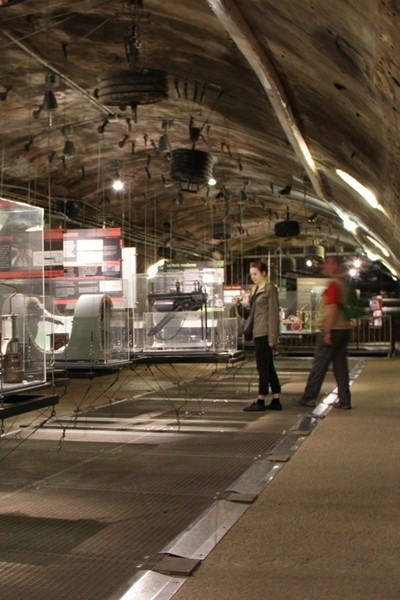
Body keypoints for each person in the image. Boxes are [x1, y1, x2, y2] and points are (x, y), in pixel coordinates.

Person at [296, 255, 352, 410]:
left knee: (319, 365)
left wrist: (327, 331)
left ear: (335, 265)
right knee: (340, 366)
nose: (325, 267)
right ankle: (345, 400)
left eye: (328, 264)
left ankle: (309, 397)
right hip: (344, 329)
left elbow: (333, 308)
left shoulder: (334, 284)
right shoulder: (345, 283)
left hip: (333, 329)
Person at [233, 260, 282, 411]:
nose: (252, 277)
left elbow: (273, 313)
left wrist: (272, 337)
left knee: (262, 367)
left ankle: (261, 400)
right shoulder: (255, 290)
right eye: (251, 274)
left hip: (264, 333)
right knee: (268, 366)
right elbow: (250, 315)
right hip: (258, 332)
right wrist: (239, 306)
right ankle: (276, 399)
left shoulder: (269, 288)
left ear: (264, 273)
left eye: (255, 274)